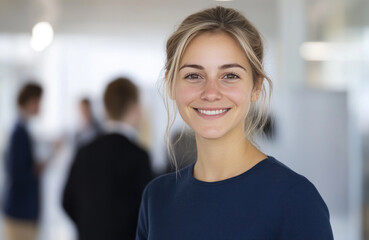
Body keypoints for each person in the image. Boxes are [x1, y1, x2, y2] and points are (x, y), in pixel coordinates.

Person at [136, 6, 334, 240]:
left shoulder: (295, 199)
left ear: (256, 86)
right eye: (193, 75)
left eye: (230, 76)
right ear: (171, 84)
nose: (211, 93)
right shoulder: (157, 198)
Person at [63, 77, 153, 240]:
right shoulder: (138, 156)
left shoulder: (85, 151)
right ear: (134, 107)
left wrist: (89, 226)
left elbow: (67, 200)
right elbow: (147, 210)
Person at [2, 83, 43, 240]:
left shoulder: (22, 129)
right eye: (39, 101)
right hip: (20, 212)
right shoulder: (18, 132)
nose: (41, 106)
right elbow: (18, 173)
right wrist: (39, 167)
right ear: (32, 101)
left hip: (23, 211)